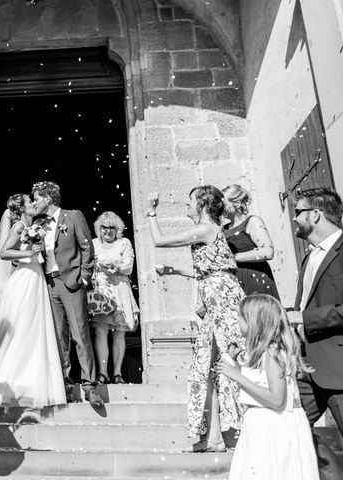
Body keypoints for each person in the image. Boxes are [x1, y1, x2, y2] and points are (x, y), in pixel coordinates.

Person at [146, 186, 246, 451]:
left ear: (201, 204)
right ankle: (214, 438)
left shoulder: (207, 228)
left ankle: (246, 428)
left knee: (231, 360)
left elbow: (160, 241)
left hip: (224, 302)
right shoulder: (209, 232)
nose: (186, 207)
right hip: (216, 302)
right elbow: (210, 269)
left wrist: (151, 211)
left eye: (190, 202)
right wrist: (176, 271)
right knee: (208, 368)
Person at [0, 193, 66, 409]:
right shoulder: (19, 228)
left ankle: (31, 382)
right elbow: (4, 253)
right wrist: (27, 255)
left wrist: (38, 253)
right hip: (24, 278)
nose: (33, 203)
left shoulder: (35, 226)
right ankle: (12, 381)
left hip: (37, 278)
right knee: (22, 326)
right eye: (29, 202)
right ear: (21, 208)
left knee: (35, 329)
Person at [217, 294, 318, 480]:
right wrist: (236, 365)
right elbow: (261, 383)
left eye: (240, 316)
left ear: (255, 322)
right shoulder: (266, 352)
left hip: (274, 430)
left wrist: (237, 376)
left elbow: (277, 399)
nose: (236, 320)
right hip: (263, 426)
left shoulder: (273, 354)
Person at [287, 187, 343, 480]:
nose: (294, 220)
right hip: (306, 368)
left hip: (338, 367)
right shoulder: (309, 258)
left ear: (315, 214)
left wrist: (303, 317)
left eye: (297, 213)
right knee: (285, 428)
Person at [32, 181, 104, 407]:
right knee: (57, 336)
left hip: (71, 283)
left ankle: (89, 386)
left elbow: (86, 247)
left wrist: (84, 277)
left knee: (80, 334)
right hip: (49, 284)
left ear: (48, 199)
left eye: (36, 198)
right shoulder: (39, 224)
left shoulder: (73, 216)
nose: (34, 202)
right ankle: (63, 382)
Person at [90, 211, 139, 384]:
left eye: (112, 228)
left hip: (121, 289)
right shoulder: (93, 244)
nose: (108, 231)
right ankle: (103, 373)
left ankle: (117, 373)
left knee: (120, 332)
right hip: (102, 291)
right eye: (105, 227)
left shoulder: (124, 243)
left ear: (117, 229)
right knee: (101, 331)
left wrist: (115, 265)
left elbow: (129, 268)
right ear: (99, 228)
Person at [222, 184, 280, 299]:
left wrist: (234, 257)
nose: (220, 208)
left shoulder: (252, 221)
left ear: (237, 203)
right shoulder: (224, 228)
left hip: (254, 280)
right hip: (235, 283)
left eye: (223, 204)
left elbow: (267, 252)